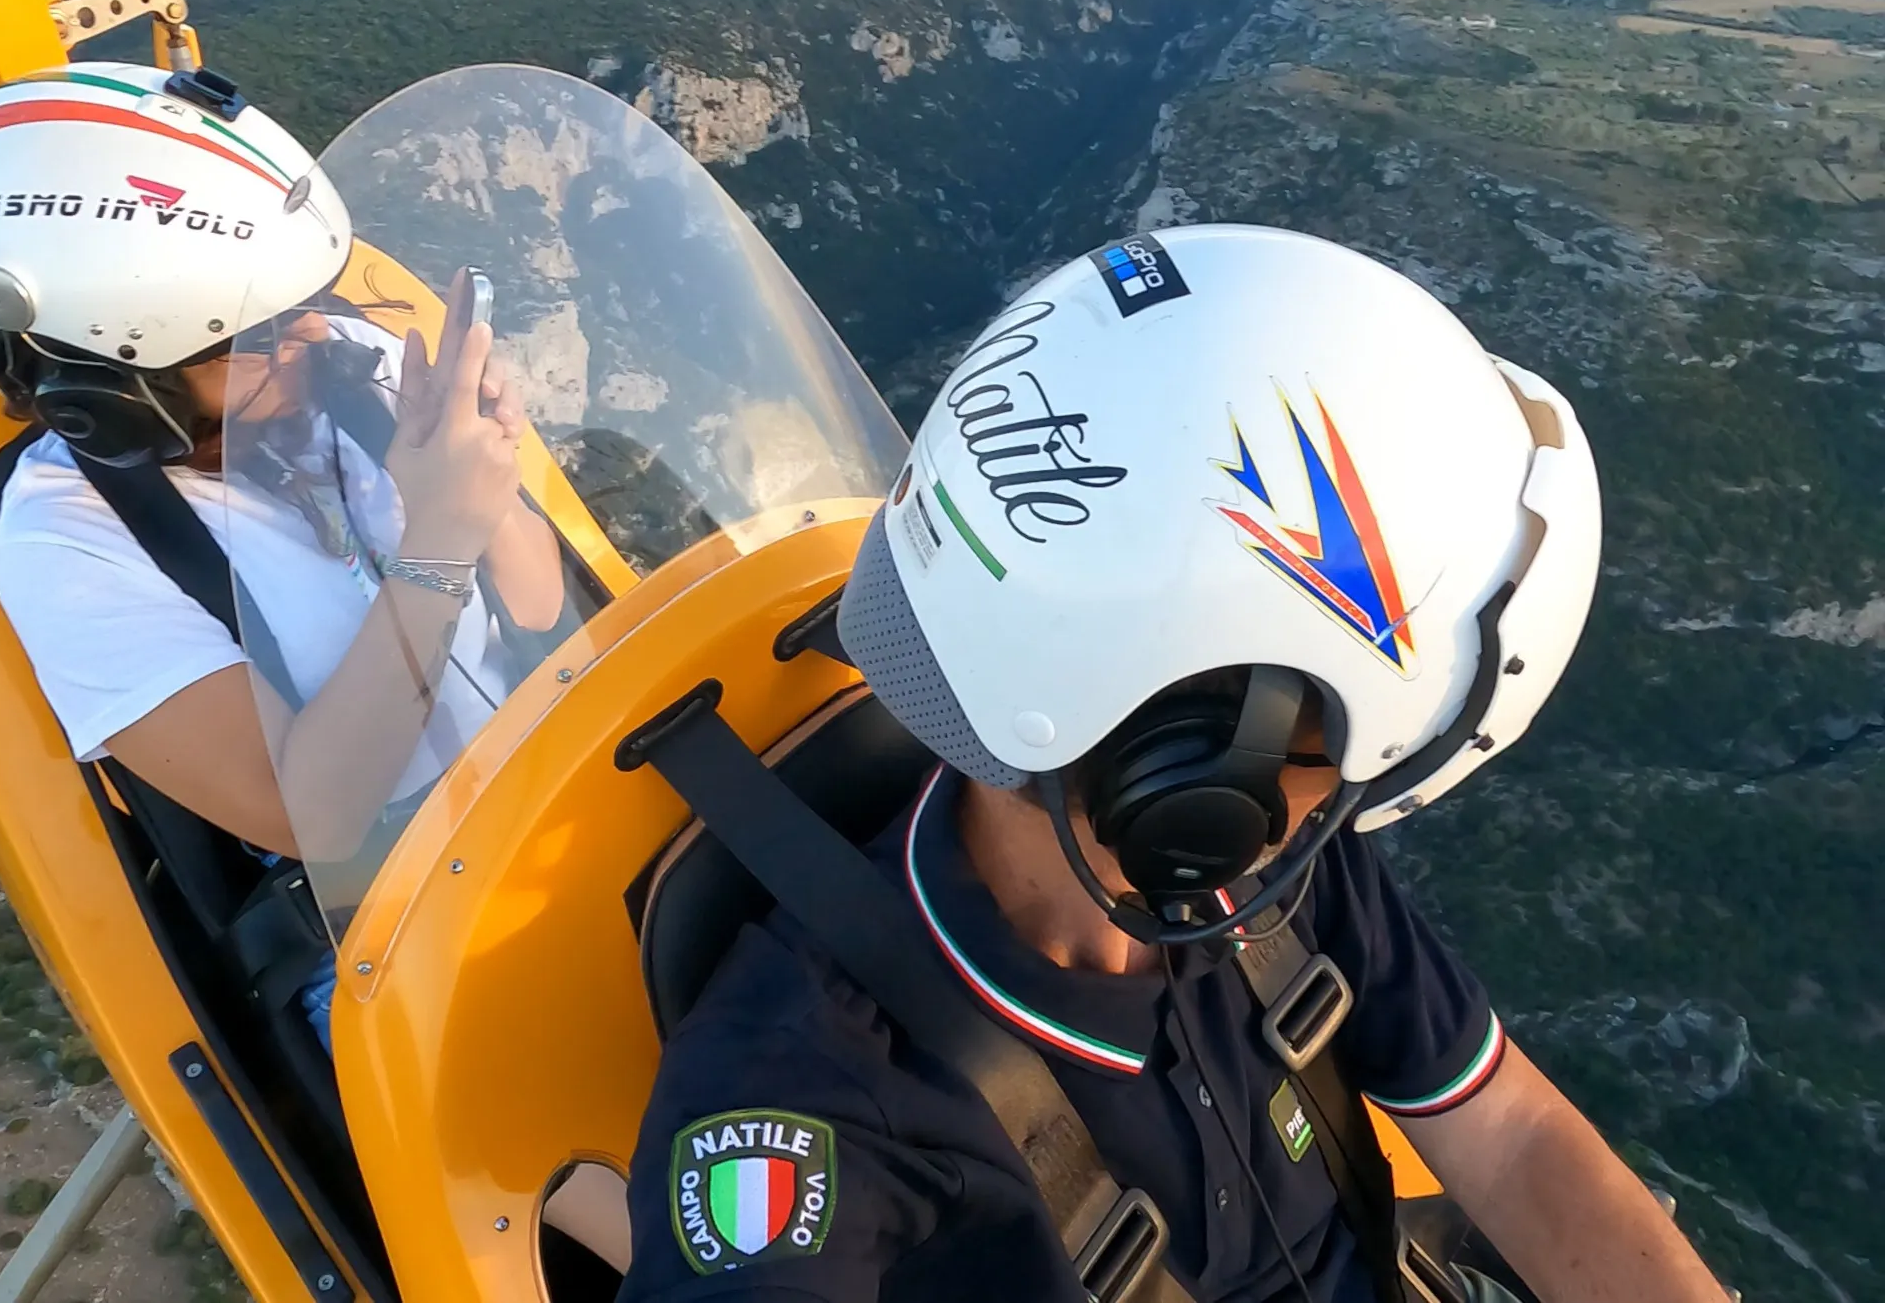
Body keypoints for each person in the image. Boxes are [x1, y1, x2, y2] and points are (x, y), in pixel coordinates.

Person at [617, 226, 1732, 1301]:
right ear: (1199, 760)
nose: (1337, 800)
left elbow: (1512, 1131)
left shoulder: (1269, 879)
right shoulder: (803, 1085)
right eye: (1328, 751)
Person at [0, 63, 566, 1045]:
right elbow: (313, 817)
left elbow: (539, 614)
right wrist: (439, 540)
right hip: (391, 919)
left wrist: (488, 487)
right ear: (102, 393)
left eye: (304, 303)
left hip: (555, 782)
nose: (316, 335)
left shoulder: (348, 375)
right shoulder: (68, 544)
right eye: (256, 333)